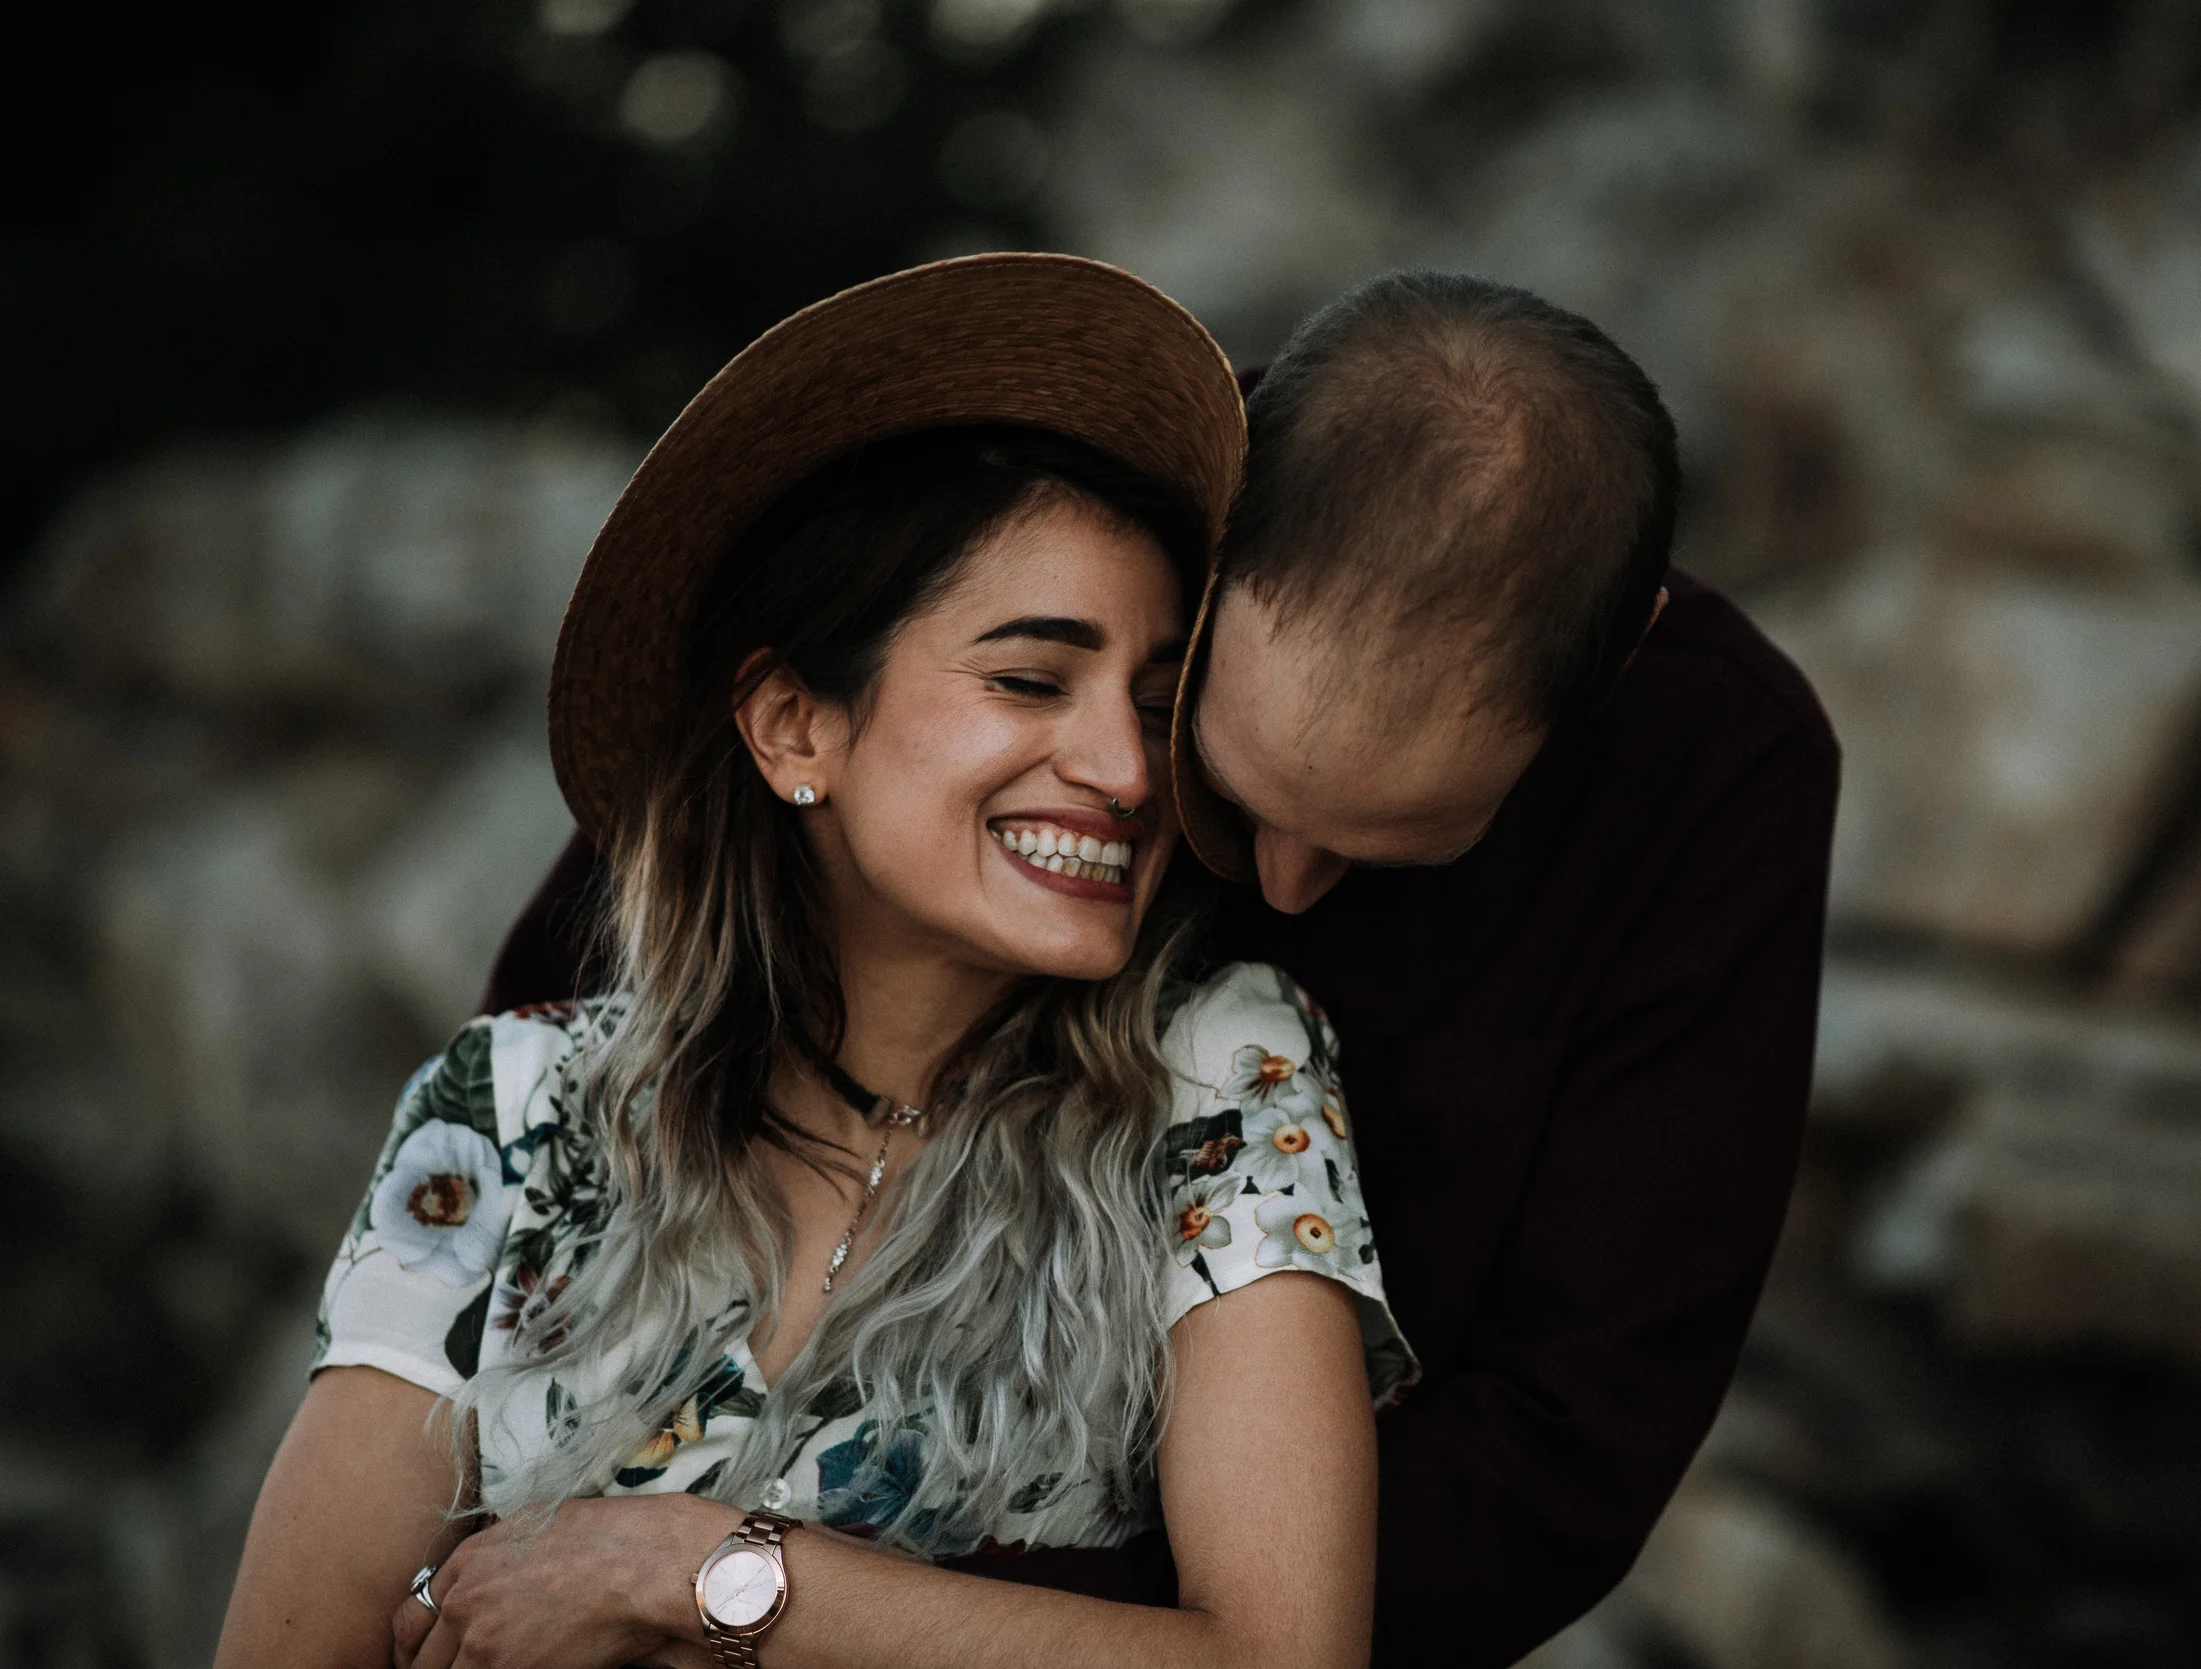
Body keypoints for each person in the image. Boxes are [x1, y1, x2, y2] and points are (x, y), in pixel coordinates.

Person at [488, 270, 1843, 1667]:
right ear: (1220, 536)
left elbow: (1569, 1437)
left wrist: (927, 1623)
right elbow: (601, 1021)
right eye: (1235, 788)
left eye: (1396, 850)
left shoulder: (1719, 783)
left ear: (1615, 664)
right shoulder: (1085, 504)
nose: (1282, 889)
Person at [216, 254, 1415, 1669]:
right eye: (1031, 680)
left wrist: (691, 1569)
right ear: (794, 726)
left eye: (1157, 707)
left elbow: (1285, 1660)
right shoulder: (511, 1111)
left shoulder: (1215, 1076)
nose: (1122, 768)